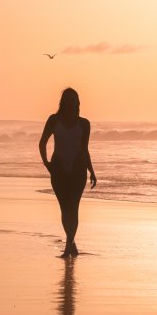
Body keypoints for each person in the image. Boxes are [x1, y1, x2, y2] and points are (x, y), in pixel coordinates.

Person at [39, 88, 97, 257]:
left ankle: (69, 245)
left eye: (74, 99)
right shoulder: (53, 120)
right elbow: (42, 143)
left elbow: (84, 149)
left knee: (74, 208)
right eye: (68, 99)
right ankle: (71, 242)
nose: (71, 102)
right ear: (63, 101)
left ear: (78, 102)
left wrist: (92, 171)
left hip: (78, 169)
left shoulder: (84, 123)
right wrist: (46, 164)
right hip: (58, 169)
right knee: (65, 209)